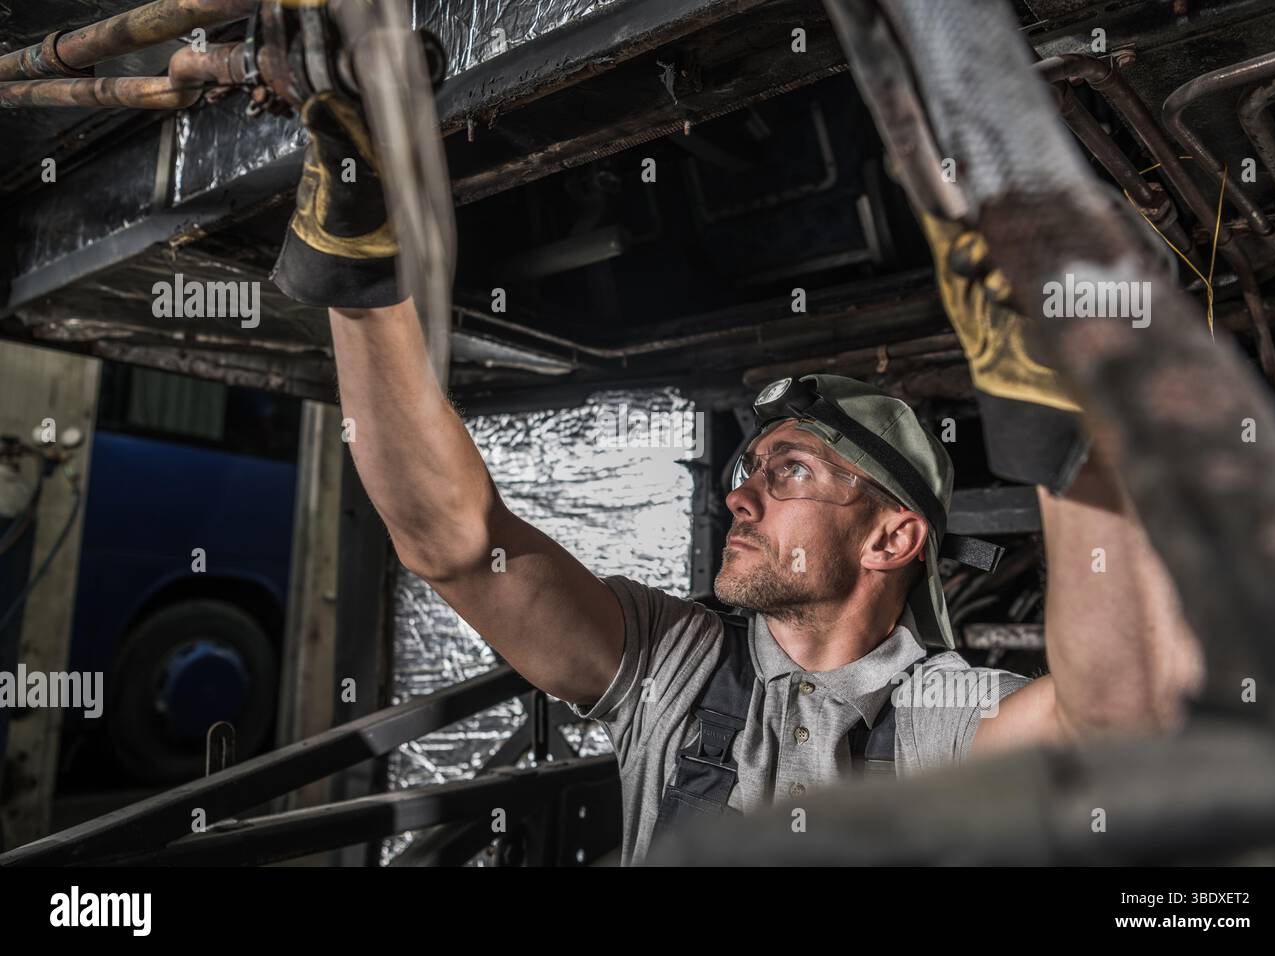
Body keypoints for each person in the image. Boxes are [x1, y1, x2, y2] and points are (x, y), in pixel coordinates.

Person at [271, 90, 1204, 866]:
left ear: (892, 538)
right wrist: (366, 285)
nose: (737, 495)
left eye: (787, 470)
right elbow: (459, 546)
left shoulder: (946, 718)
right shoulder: (673, 668)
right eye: (747, 467)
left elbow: (1115, 715)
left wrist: (1081, 415)